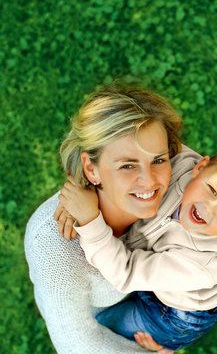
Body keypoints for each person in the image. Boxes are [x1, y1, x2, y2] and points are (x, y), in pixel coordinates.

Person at [58, 141, 217, 352]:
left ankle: (160, 347)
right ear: (200, 167)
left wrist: (89, 219)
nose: (209, 208)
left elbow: (125, 272)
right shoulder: (179, 163)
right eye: (213, 190)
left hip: (176, 314)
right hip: (163, 270)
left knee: (105, 323)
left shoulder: (201, 265)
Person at [24, 86, 200, 353]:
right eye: (127, 165)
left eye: (158, 160)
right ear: (91, 168)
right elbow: (77, 341)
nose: (150, 181)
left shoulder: (177, 174)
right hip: (102, 314)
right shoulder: (53, 245)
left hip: (149, 294)